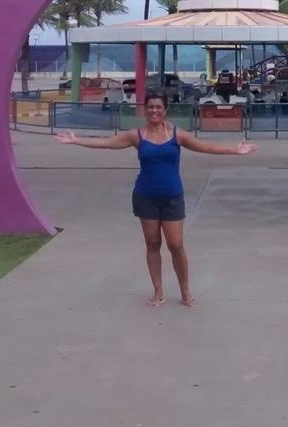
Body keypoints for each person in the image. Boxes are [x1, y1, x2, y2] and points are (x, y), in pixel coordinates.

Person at [54, 90, 257, 308]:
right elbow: (107, 143)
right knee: (152, 243)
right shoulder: (137, 135)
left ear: (165, 110)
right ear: (145, 110)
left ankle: (185, 292)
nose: (154, 110)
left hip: (172, 197)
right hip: (146, 196)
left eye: (158, 107)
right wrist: (76, 140)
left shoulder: (177, 134)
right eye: (150, 107)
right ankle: (158, 291)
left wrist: (235, 150)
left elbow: (205, 147)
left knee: (176, 245)